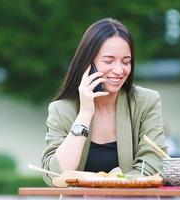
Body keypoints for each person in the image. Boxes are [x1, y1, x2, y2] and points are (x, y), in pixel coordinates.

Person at [41, 18, 167, 186]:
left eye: (126, 62)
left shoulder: (146, 102)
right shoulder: (62, 109)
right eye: (108, 61)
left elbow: (153, 166)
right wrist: (85, 114)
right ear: (88, 64)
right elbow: (55, 175)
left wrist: (107, 182)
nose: (119, 70)